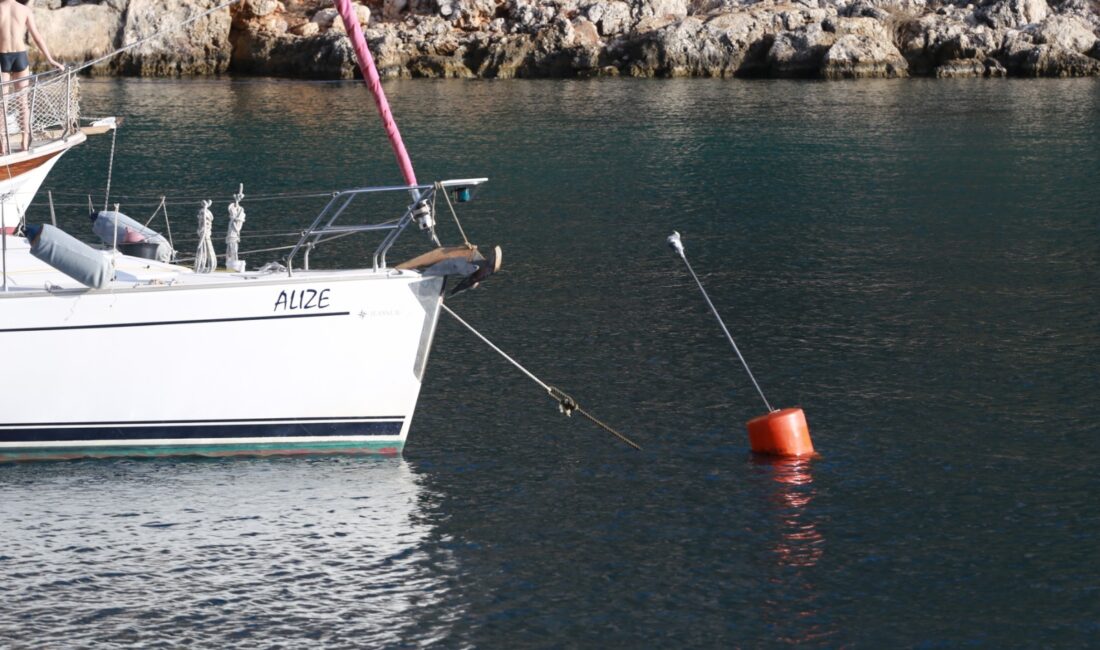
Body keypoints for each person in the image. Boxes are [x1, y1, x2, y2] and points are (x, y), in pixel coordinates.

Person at [0, 0, 63, 154]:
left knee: (3, 104)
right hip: (20, 56)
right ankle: (24, 142)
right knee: (23, 103)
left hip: (2, 57)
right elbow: (37, 37)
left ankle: (2, 144)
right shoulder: (24, 10)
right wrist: (50, 60)